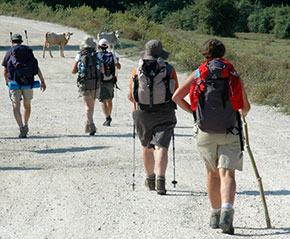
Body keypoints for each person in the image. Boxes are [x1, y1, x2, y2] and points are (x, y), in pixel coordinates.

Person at [172, 39, 251, 234]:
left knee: (212, 173)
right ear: (222, 53)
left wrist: (196, 113)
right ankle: (227, 211)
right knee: (228, 173)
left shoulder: (199, 73)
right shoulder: (232, 74)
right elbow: (245, 108)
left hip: (205, 131)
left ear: (205, 53)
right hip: (230, 130)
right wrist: (239, 112)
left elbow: (177, 97)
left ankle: (215, 215)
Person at [128, 39, 179, 195]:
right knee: (161, 146)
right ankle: (161, 181)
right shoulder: (169, 69)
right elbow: (175, 93)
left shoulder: (138, 69)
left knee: (146, 146)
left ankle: (150, 180)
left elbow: (131, 96)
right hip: (164, 111)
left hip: (142, 112)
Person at [2, 33, 46, 138]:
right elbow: (36, 67)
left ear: (12, 42)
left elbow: (5, 70)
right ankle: (26, 124)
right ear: (21, 41)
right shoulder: (28, 52)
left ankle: (21, 127)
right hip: (28, 82)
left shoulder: (10, 53)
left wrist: (7, 82)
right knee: (27, 105)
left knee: (16, 106)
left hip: (15, 83)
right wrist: (42, 81)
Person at [72, 36, 101, 135]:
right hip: (95, 83)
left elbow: (73, 71)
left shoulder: (80, 55)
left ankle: (91, 124)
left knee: (87, 106)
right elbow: (102, 70)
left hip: (84, 83)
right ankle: (88, 125)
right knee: (92, 105)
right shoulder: (97, 55)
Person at [97, 38, 121, 126]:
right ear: (107, 46)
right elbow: (118, 67)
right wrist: (117, 62)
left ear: (99, 46)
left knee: (103, 100)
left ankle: (107, 118)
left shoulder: (97, 55)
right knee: (110, 99)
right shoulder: (112, 55)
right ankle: (109, 115)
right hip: (111, 80)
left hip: (101, 81)